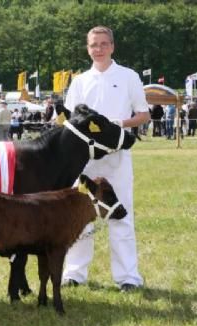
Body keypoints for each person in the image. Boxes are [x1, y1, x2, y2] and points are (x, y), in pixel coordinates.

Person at [62, 26, 150, 292]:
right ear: (87, 48)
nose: (98, 49)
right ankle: (74, 273)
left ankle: (127, 277)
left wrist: (119, 123)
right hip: (84, 161)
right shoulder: (79, 81)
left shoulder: (128, 76)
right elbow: (69, 119)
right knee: (80, 216)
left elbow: (143, 114)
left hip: (117, 158)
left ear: (112, 46)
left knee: (121, 215)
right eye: (93, 45)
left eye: (103, 44)